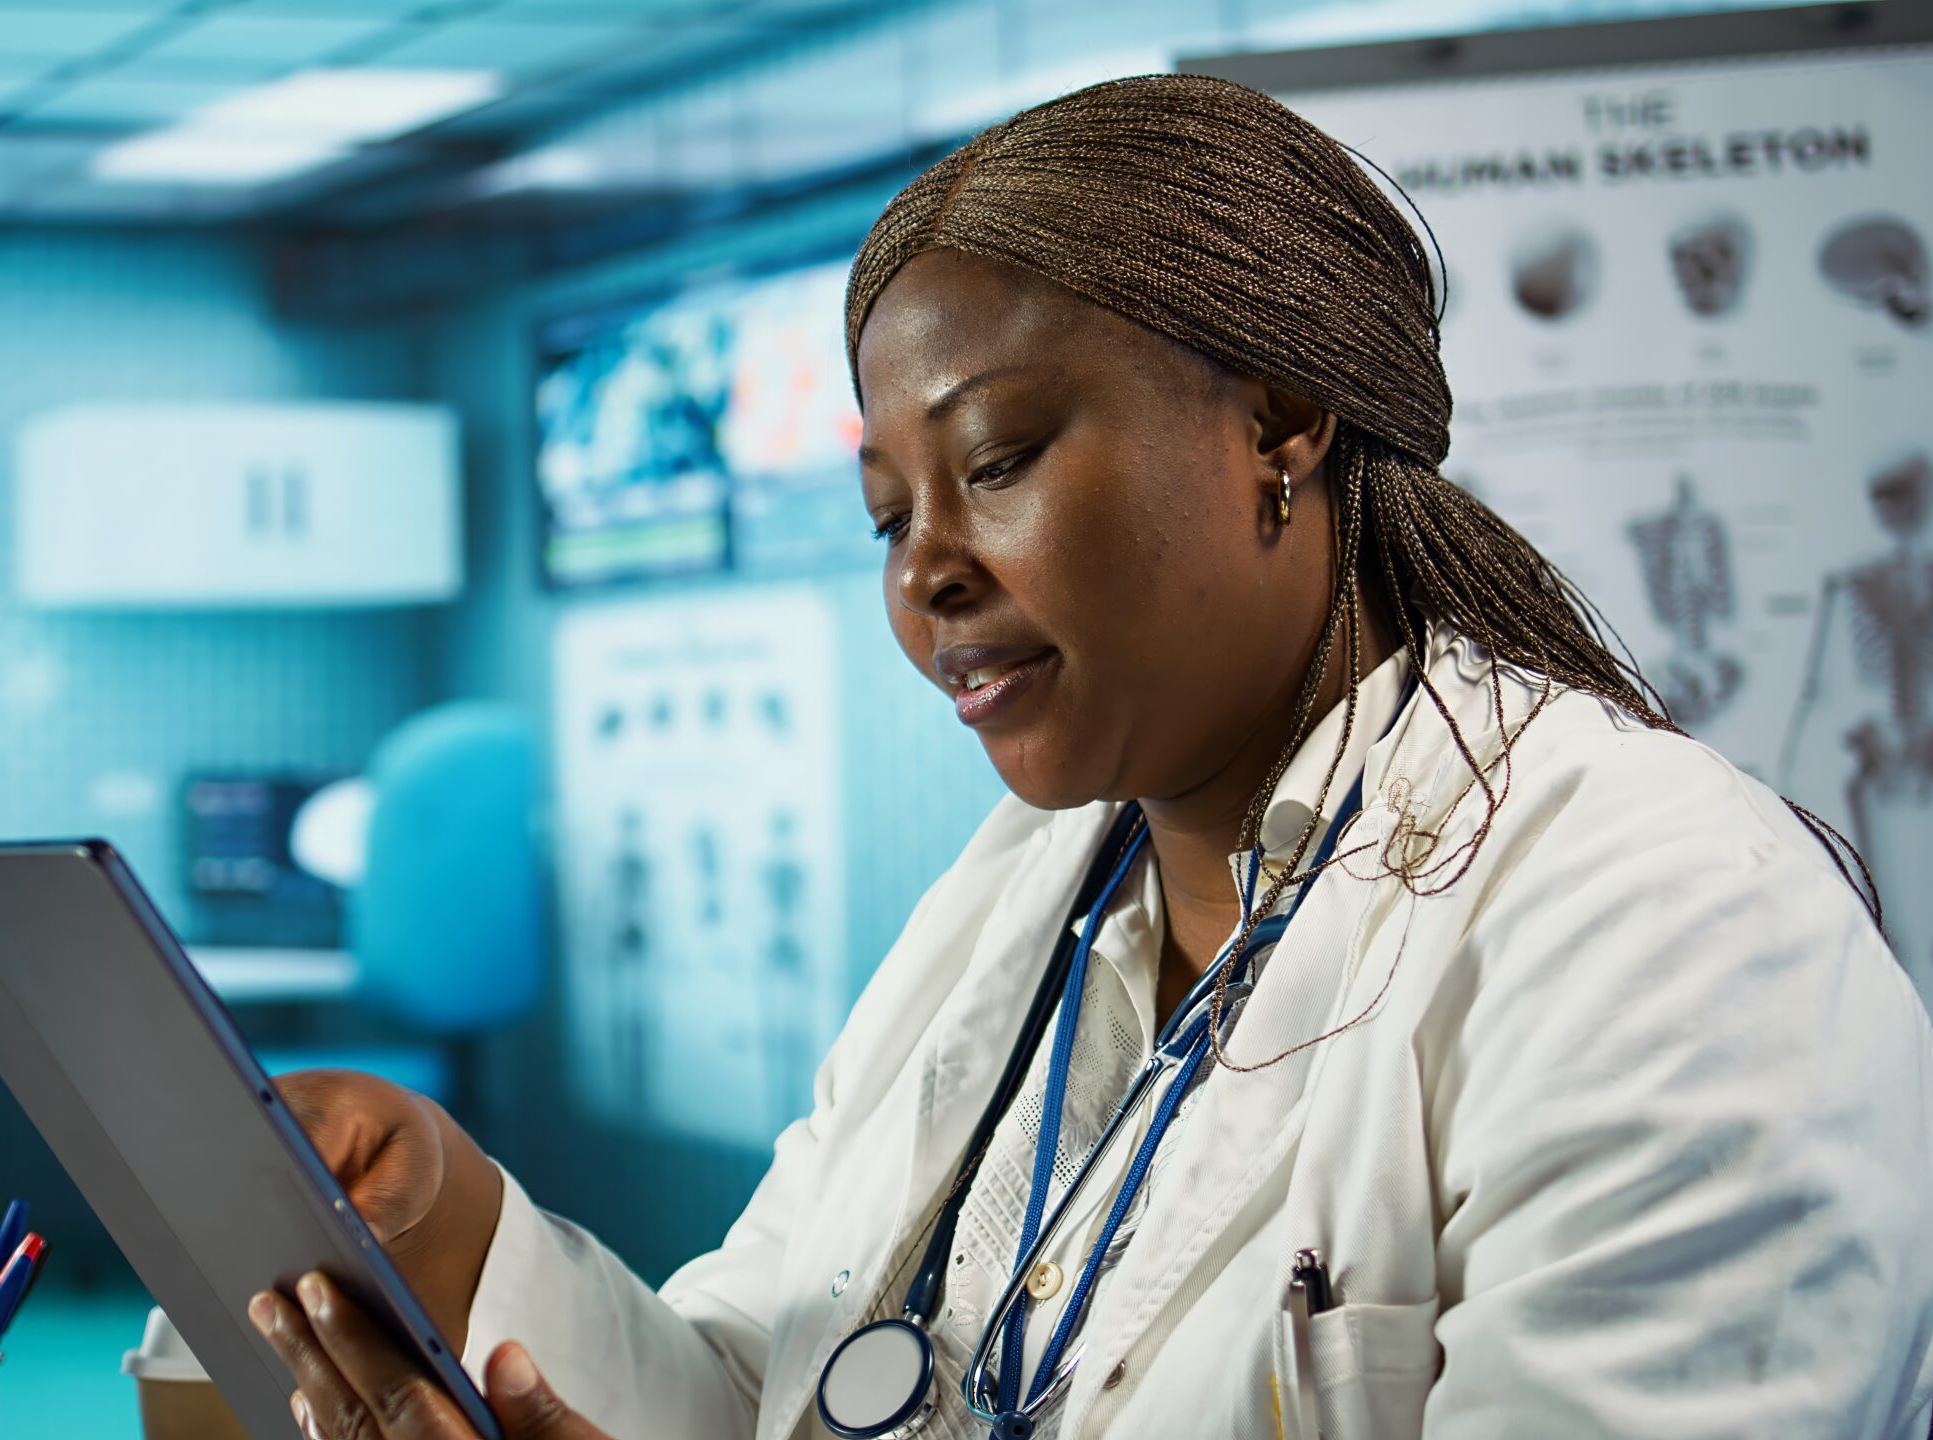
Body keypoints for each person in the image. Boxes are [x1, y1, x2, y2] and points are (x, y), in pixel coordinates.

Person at [244, 74, 1933, 1438]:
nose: (924, 573)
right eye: (887, 515)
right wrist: (450, 1222)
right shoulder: (1017, 903)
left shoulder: (1674, 929)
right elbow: (773, 1385)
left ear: (1281, 420)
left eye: (996, 461)